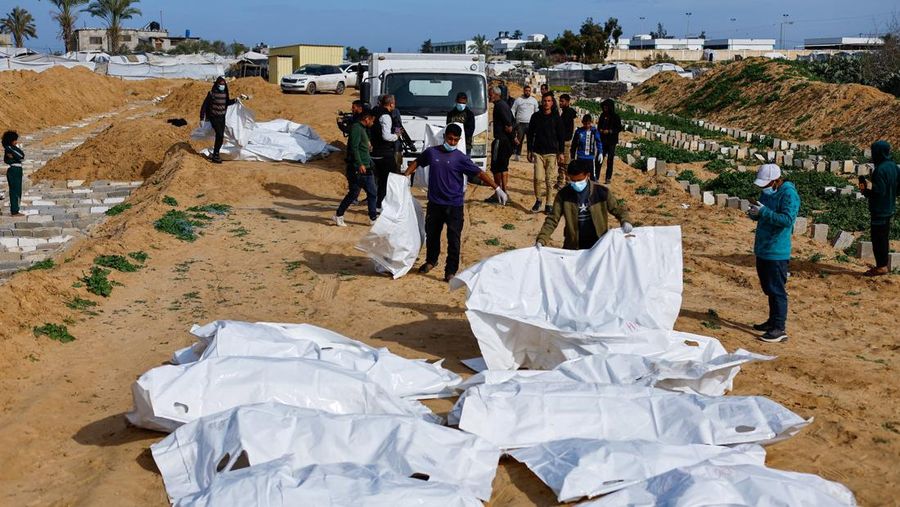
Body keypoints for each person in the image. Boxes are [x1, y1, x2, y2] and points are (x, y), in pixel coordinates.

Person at [405, 124, 508, 282]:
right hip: (435, 204)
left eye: (455, 140)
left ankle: (450, 271)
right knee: (432, 235)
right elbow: (418, 162)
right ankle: (431, 261)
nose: (452, 142)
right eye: (449, 139)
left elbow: (479, 173)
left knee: (454, 239)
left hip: (454, 205)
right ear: (444, 136)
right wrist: (405, 175)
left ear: (459, 140)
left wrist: (497, 188)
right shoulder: (432, 153)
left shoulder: (460, 158)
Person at [747, 164, 800, 343]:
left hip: (777, 250)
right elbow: (764, 212)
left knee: (777, 290)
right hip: (763, 247)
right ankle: (772, 322)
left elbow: (787, 220)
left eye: (765, 184)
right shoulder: (767, 192)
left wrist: (764, 212)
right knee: (769, 288)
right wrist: (755, 213)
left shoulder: (789, 195)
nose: (763, 188)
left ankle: (779, 328)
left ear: (776, 181)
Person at [535, 162, 632, 250]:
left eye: (579, 180)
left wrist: (625, 221)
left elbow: (617, 209)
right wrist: (542, 239)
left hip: (599, 244)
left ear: (588, 175)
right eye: (573, 181)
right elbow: (552, 219)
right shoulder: (563, 195)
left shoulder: (601, 192)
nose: (576, 184)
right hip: (573, 245)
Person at [860, 140, 899, 276]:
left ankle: (881, 266)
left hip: (879, 210)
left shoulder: (880, 170)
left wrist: (864, 190)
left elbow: (878, 192)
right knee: (884, 237)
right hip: (890, 208)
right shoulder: (893, 166)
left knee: (878, 239)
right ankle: (882, 264)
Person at [333, 111, 378, 226]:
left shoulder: (361, 129)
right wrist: (360, 164)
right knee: (369, 193)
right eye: (372, 120)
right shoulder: (357, 128)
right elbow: (354, 148)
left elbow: (361, 146)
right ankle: (373, 218)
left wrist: (368, 145)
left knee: (356, 193)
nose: (373, 123)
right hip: (359, 168)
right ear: (367, 118)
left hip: (364, 166)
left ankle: (339, 214)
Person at [527, 93, 566, 214]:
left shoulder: (556, 118)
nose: (546, 103)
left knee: (550, 180)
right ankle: (538, 200)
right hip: (538, 152)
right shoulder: (535, 117)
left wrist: (561, 152)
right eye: (544, 101)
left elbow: (561, 136)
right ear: (541, 102)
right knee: (538, 178)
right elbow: (530, 134)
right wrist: (529, 150)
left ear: (552, 103)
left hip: (552, 153)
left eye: (549, 101)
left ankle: (549, 203)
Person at [371, 94, 401, 210]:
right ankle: (380, 206)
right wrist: (397, 136)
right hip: (385, 153)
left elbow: (397, 125)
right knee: (386, 181)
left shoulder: (375, 112)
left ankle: (376, 204)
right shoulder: (386, 116)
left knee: (376, 182)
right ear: (391, 104)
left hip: (374, 152)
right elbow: (387, 136)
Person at [486, 86, 515, 203]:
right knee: (503, 167)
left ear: (495, 94)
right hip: (505, 141)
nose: (489, 96)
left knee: (496, 167)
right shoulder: (503, 105)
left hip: (501, 140)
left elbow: (509, 125)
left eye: (490, 94)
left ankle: (499, 192)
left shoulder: (500, 106)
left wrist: (513, 136)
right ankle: (502, 192)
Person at [199, 76, 236, 164]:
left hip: (222, 118)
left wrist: (236, 100)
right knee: (219, 134)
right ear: (217, 84)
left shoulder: (225, 94)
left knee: (221, 137)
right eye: (220, 84)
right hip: (214, 117)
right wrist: (201, 118)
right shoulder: (212, 94)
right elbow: (204, 106)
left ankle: (216, 153)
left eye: (223, 84)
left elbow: (227, 103)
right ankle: (215, 155)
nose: (222, 86)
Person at [570, 114, 604, 182]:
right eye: (585, 124)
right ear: (583, 123)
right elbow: (574, 144)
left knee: (592, 176)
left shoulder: (594, 131)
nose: (587, 125)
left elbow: (599, 142)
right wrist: (573, 157)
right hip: (580, 157)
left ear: (591, 122)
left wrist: (600, 152)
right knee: (580, 175)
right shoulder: (579, 131)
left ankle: (593, 190)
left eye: (588, 123)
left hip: (590, 158)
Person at [596, 98, 623, 184]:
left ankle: (608, 178)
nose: (605, 109)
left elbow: (619, 128)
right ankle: (596, 176)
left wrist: (610, 131)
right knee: (599, 158)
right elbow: (599, 126)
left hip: (611, 141)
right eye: (604, 107)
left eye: (606, 107)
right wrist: (600, 130)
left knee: (610, 160)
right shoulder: (602, 116)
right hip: (603, 140)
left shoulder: (615, 117)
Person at [511, 85, 539, 159]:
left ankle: (530, 155)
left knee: (531, 140)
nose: (527, 92)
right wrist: (513, 119)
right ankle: (517, 154)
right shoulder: (518, 100)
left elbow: (537, 111)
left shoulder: (533, 100)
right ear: (523, 91)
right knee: (519, 139)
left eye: (529, 91)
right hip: (520, 124)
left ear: (531, 91)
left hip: (531, 124)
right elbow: (513, 110)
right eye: (526, 90)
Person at [557, 93, 578, 188]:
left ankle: (568, 183)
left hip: (565, 141)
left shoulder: (568, 113)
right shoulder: (565, 112)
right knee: (561, 163)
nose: (560, 103)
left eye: (562, 101)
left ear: (568, 102)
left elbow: (565, 129)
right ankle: (560, 181)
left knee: (565, 164)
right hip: (562, 141)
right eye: (560, 101)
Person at [2, 130, 25, 217]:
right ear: (11, 140)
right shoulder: (9, 148)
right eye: (15, 140)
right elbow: (21, 156)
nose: (16, 142)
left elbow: (21, 156)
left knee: (17, 190)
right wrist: (16, 158)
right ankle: (15, 211)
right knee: (15, 191)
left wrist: (15, 157)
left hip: (17, 169)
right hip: (14, 170)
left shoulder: (10, 148)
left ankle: (15, 210)